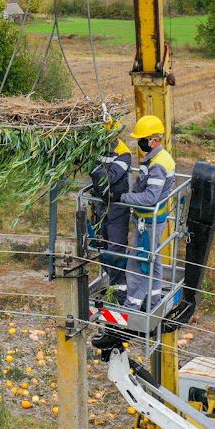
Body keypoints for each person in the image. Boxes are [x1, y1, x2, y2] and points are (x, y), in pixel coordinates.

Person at [120, 115, 175, 312]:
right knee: (154, 258)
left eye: (142, 139)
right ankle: (154, 299)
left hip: (149, 221)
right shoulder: (157, 158)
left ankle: (132, 305)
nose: (140, 143)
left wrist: (124, 197)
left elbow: (150, 197)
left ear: (154, 140)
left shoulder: (158, 164)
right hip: (151, 220)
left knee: (138, 263)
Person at [89, 118, 133, 291]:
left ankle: (121, 286)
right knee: (101, 245)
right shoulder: (98, 146)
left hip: (117, 208)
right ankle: (114, 282)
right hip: (101, 206)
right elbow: (93, 169)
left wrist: (95, 170)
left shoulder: (124, 153)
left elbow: (110, 177)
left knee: (116, 247)